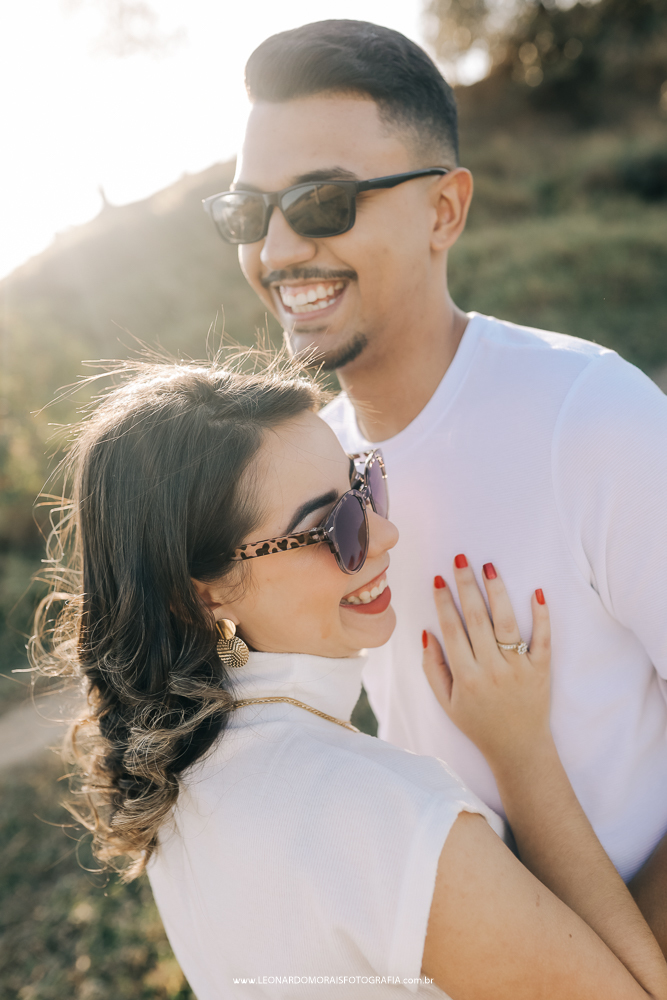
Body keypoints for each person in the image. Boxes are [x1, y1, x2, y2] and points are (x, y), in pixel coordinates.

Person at [203, 19, 667, 948]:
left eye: (324, 200)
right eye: (249, 214)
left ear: (444, 212)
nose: (279, 250)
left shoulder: (591, 417)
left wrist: (636, 968)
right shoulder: (315, 470)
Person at [31, 357, 667, 998]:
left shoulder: (173, 785)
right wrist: (523, 755)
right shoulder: (387, 816)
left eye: (364, 487)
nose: (385, 533)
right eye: (329, 528)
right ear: (205, 596)